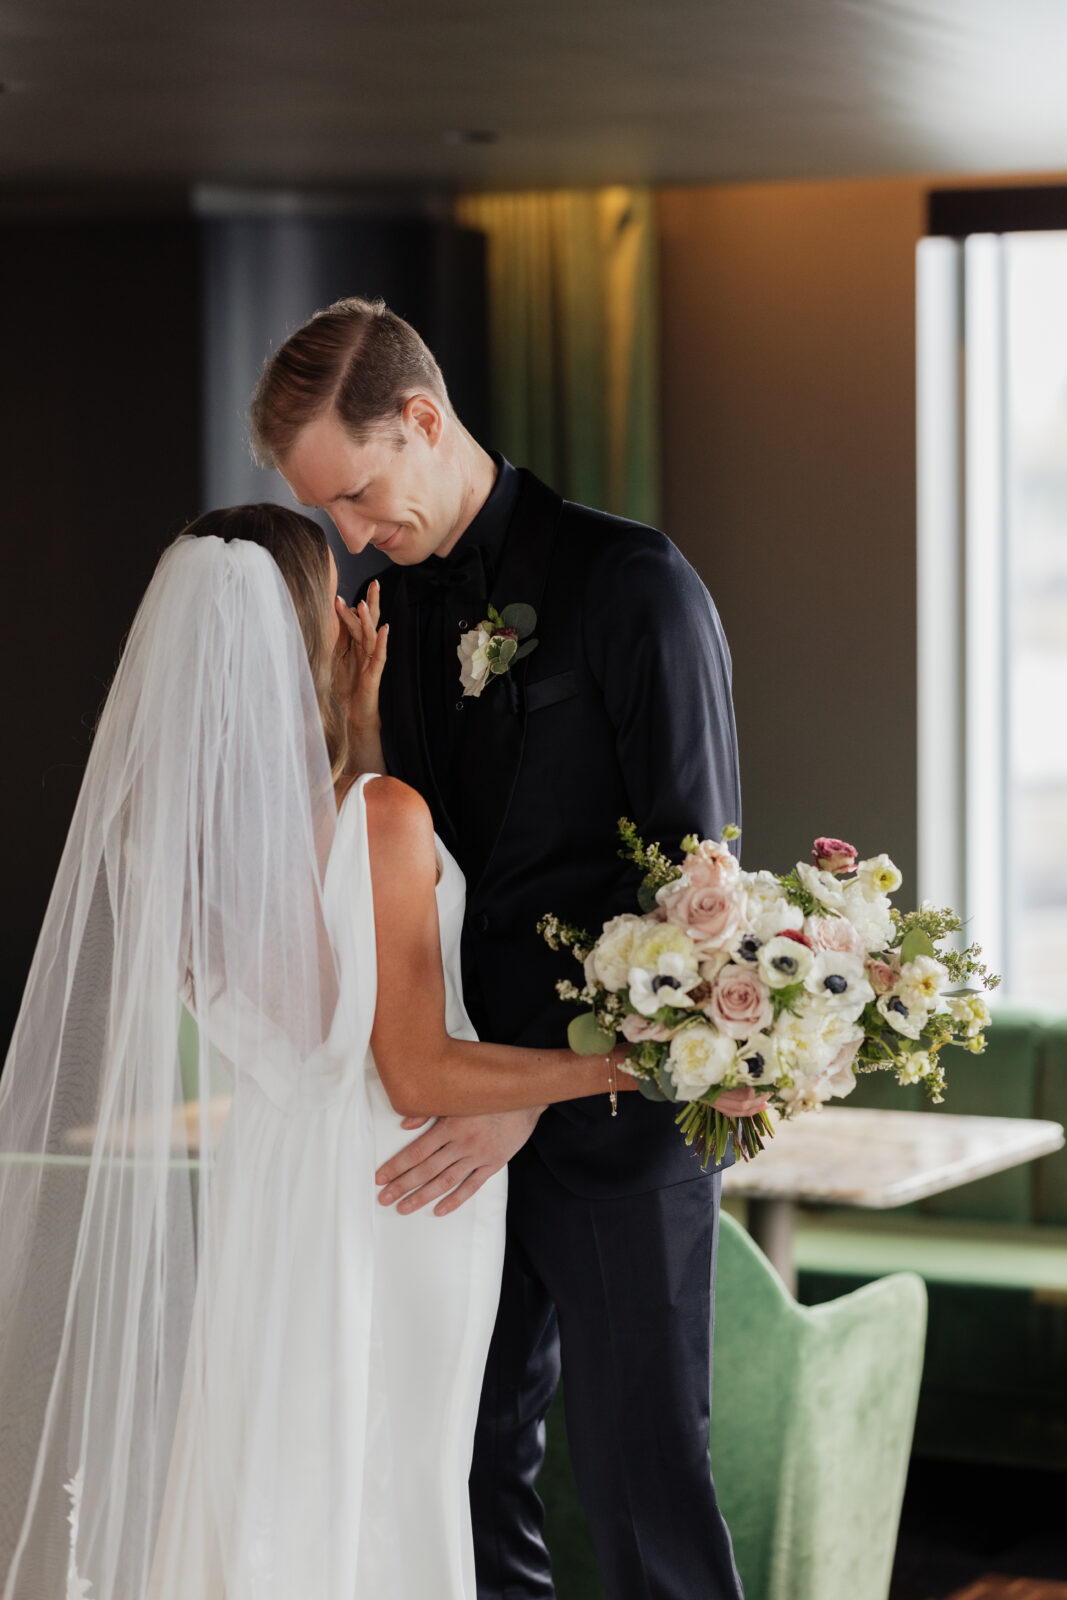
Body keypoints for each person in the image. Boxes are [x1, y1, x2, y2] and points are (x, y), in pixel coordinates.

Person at [0, 505, 635, 1600]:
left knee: (279, 1477)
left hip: (272, 1197)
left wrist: (363, 733)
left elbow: (313, 991)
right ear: (314, 624)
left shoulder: (168, 831)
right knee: (392, 1483)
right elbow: (412, 1070)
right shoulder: (380, 815)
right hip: (406, 1194)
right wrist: (629, 1061)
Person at [250, 297, 748, 1598]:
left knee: (645, 1485)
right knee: (458, 1471)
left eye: (356, 497)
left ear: (420, 419)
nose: (351, 541)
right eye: (330, 519)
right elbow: (400, 870)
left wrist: (531, 1095)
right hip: (445, 1133)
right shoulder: (393, 609)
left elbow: (699, 886)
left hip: (610, 1127)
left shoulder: (633, 584)